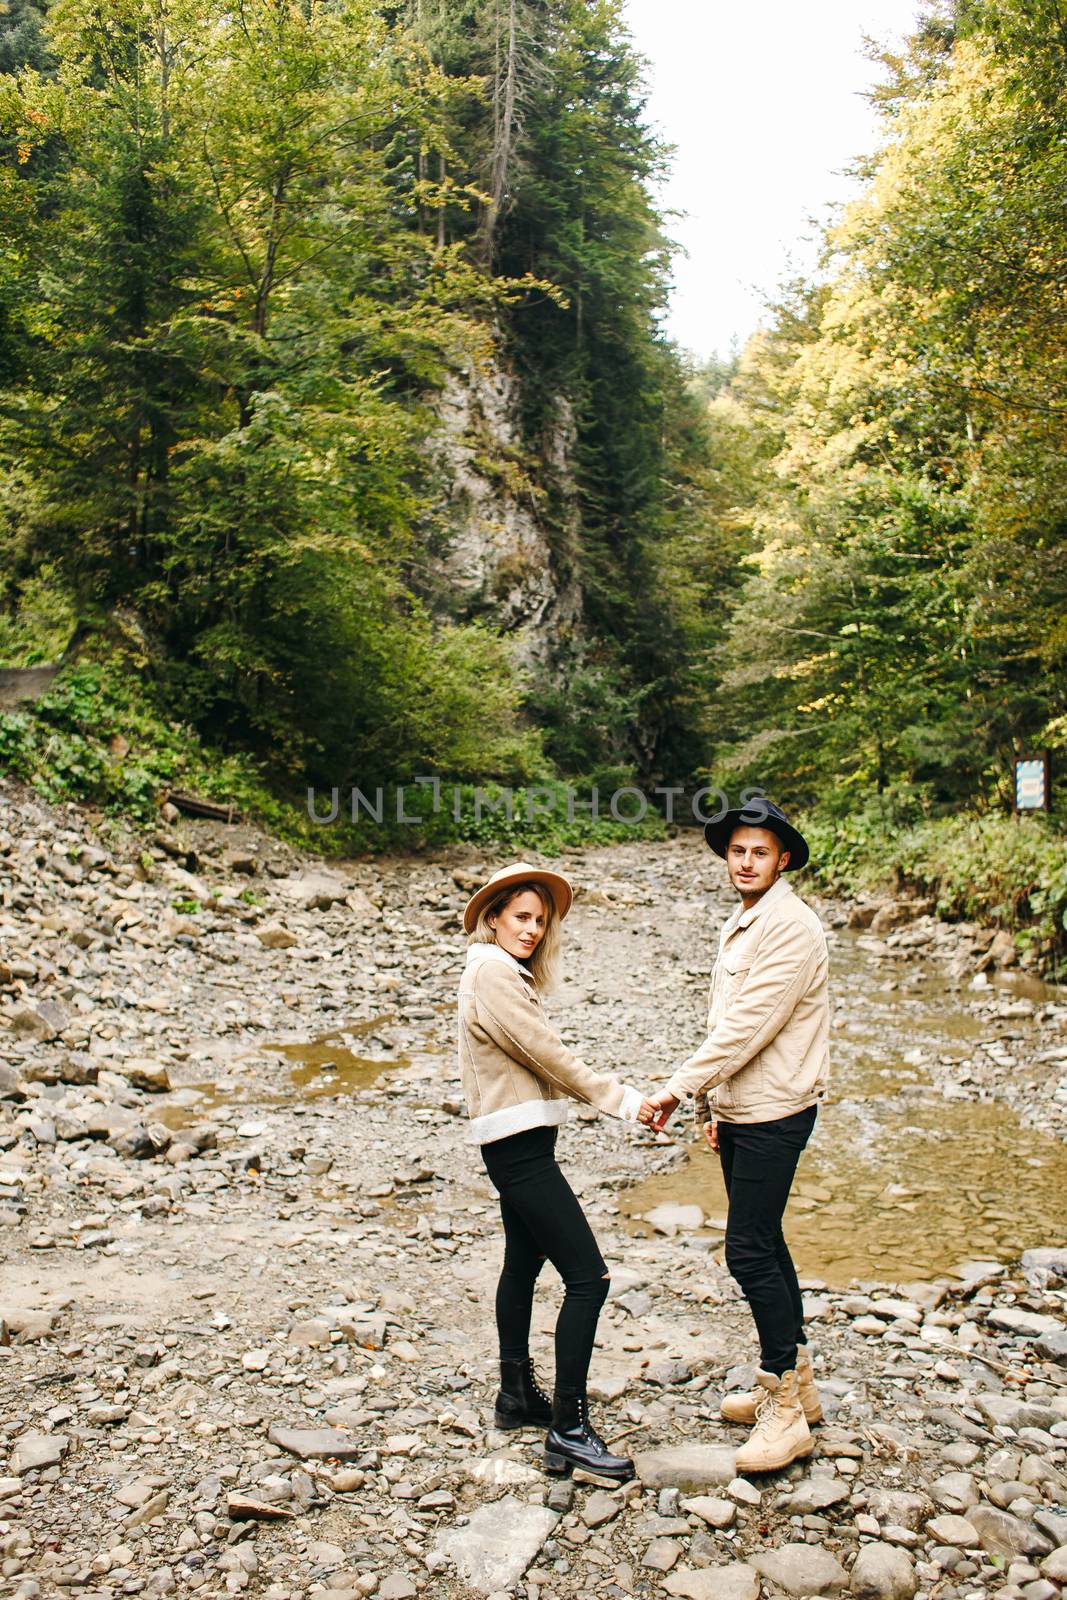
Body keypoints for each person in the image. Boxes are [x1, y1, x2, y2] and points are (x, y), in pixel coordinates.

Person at [457, 861, 656, 1483]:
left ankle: (515, 1396)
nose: (533, 931)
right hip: (518, 1147)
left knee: (522, 1264)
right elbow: (546, 1052)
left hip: (519, 1141)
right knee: (590, 1279)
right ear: (492, 919)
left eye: (541, 922)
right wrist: (624, 1100)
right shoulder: (491, 970)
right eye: (521, 917)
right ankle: (568, 1429)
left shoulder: (499, 971)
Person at [646, 801, 830, 1472]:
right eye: (736, 852)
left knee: (747, 1252)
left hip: (775, 1109)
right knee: (766, 1240)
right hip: (746, 1107)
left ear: (783, 858)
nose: (744, 861)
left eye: (758, 852)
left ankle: (781, 1411)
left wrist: (676, 1087)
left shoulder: (789, 926)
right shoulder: (747, 917)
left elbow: (747, 1025)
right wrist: (712, 1108)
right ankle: (800, 1390)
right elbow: (726, 1024)